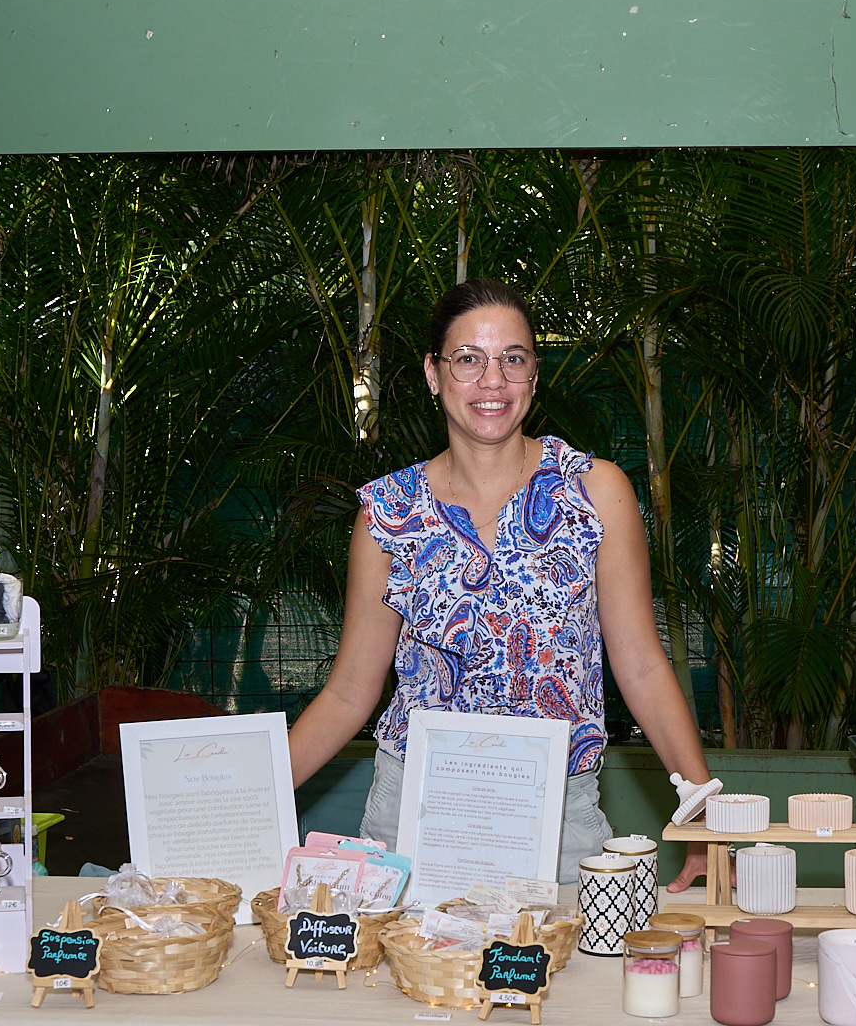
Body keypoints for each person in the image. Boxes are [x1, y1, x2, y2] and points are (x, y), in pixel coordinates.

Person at [287, 277, 711, 891]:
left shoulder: (595, 493)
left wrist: (701, 815)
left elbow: (643, 666)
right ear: (433, 374)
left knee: (568, 954)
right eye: (468, 360)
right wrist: (248, 802)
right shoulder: (388, 513)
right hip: (417, 815)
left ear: (534, 375)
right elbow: (350, 693)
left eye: (513, 359)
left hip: (556, 815)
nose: (493, 381)